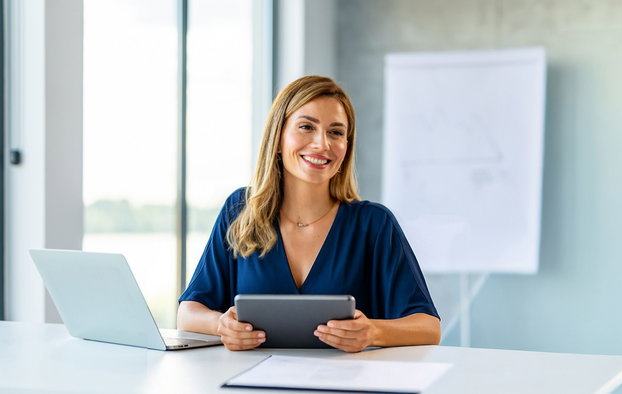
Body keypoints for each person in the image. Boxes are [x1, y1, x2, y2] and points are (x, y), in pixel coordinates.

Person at [177, 75, 440, 352]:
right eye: (306, 127)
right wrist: (221, 324)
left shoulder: (373, 224)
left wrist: (373, 331)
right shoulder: (240, 211)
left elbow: (428, 327)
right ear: (278, 137)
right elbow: (188, 313)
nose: (322, 144)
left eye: (336, 132)